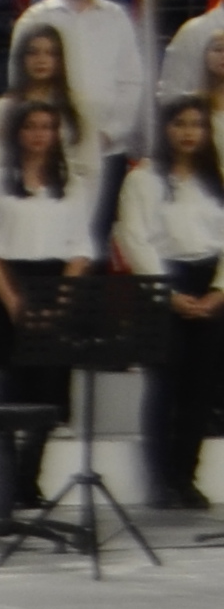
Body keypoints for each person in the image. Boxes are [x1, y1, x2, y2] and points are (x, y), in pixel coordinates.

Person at [0, 96, 96, 509]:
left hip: (56, 287)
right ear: (16, 133)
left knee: (49, 397)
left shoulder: (73, 184)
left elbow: (81, 247)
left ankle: (28, 482)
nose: (39, 135)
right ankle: (4, 488)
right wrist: (13, 301)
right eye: (31, 127)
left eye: (47, 127)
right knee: (8, 397)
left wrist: (59, 298)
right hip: (9, 286)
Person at [119, 94, 224, 506]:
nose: (188, 132)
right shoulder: (143, 180)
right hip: (163, 284)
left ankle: (186, 476)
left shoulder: (216, 181)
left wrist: (218, 291)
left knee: (201, 388)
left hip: (209, 284)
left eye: (196, 125)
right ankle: (160, 479)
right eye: (180, 124)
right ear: (166, 129)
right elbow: (134, 238)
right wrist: (168, 292)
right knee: (163, 386)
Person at [0, 0, 148, 166]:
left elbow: (130, 81)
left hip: (108, 147)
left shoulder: (116, 17)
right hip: (51, 149)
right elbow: (20, 83)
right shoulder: (35, 19)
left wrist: (111, 133)